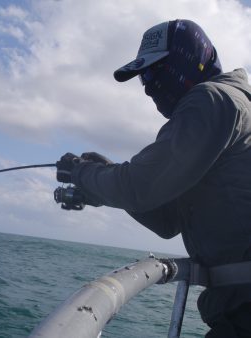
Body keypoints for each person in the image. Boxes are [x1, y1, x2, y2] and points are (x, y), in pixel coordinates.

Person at [55, 19, 251, 337]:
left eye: (154, 72)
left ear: (187, 62)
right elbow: (167, 220)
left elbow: (139, 187)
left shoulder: (212, 100)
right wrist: (104, 179)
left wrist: (82, 173)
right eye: (142, 78)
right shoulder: (231, 108)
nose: (147, 87)